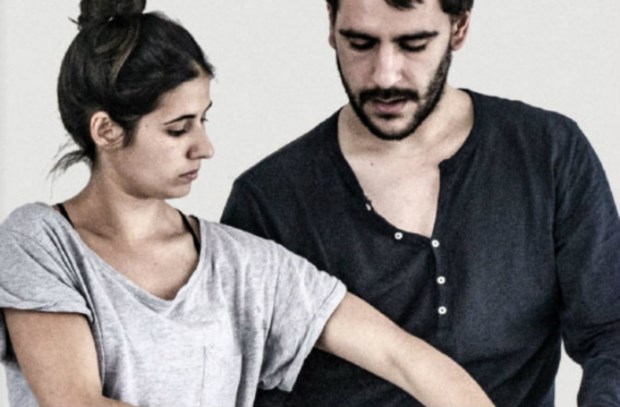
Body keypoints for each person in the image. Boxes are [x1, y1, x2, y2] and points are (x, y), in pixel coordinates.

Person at [0, 1, 495, 407]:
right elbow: (75, 401)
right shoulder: (40, 243)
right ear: (106, 130)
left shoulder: (242, 265)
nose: (204, 147)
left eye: (203, 120)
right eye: (178, 129)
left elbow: (404, 359)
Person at [220, 0, 620, 406]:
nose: (385, 75)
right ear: (330, 25)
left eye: (413, 44)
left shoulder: (549, 152)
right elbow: (239, 382)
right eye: (360, 43)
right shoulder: (268, 200)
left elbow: (610, 330)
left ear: (459, 27)